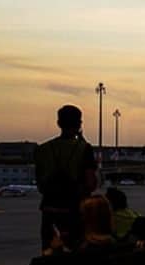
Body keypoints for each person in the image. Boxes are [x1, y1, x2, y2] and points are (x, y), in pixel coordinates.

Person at [34, 105, 98, 251]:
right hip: (75, 210)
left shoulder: (43, 149)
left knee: (49, 255)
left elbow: (40, 184)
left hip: (49, 210)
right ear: (79, 124)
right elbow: (90, 183)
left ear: (58, 123)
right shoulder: (84, 149)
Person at [44, 195, 116, 255]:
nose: (80, 219)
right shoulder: (114, 243)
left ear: (89, 218)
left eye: (82, 215)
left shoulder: (87, 248)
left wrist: (56, 250)